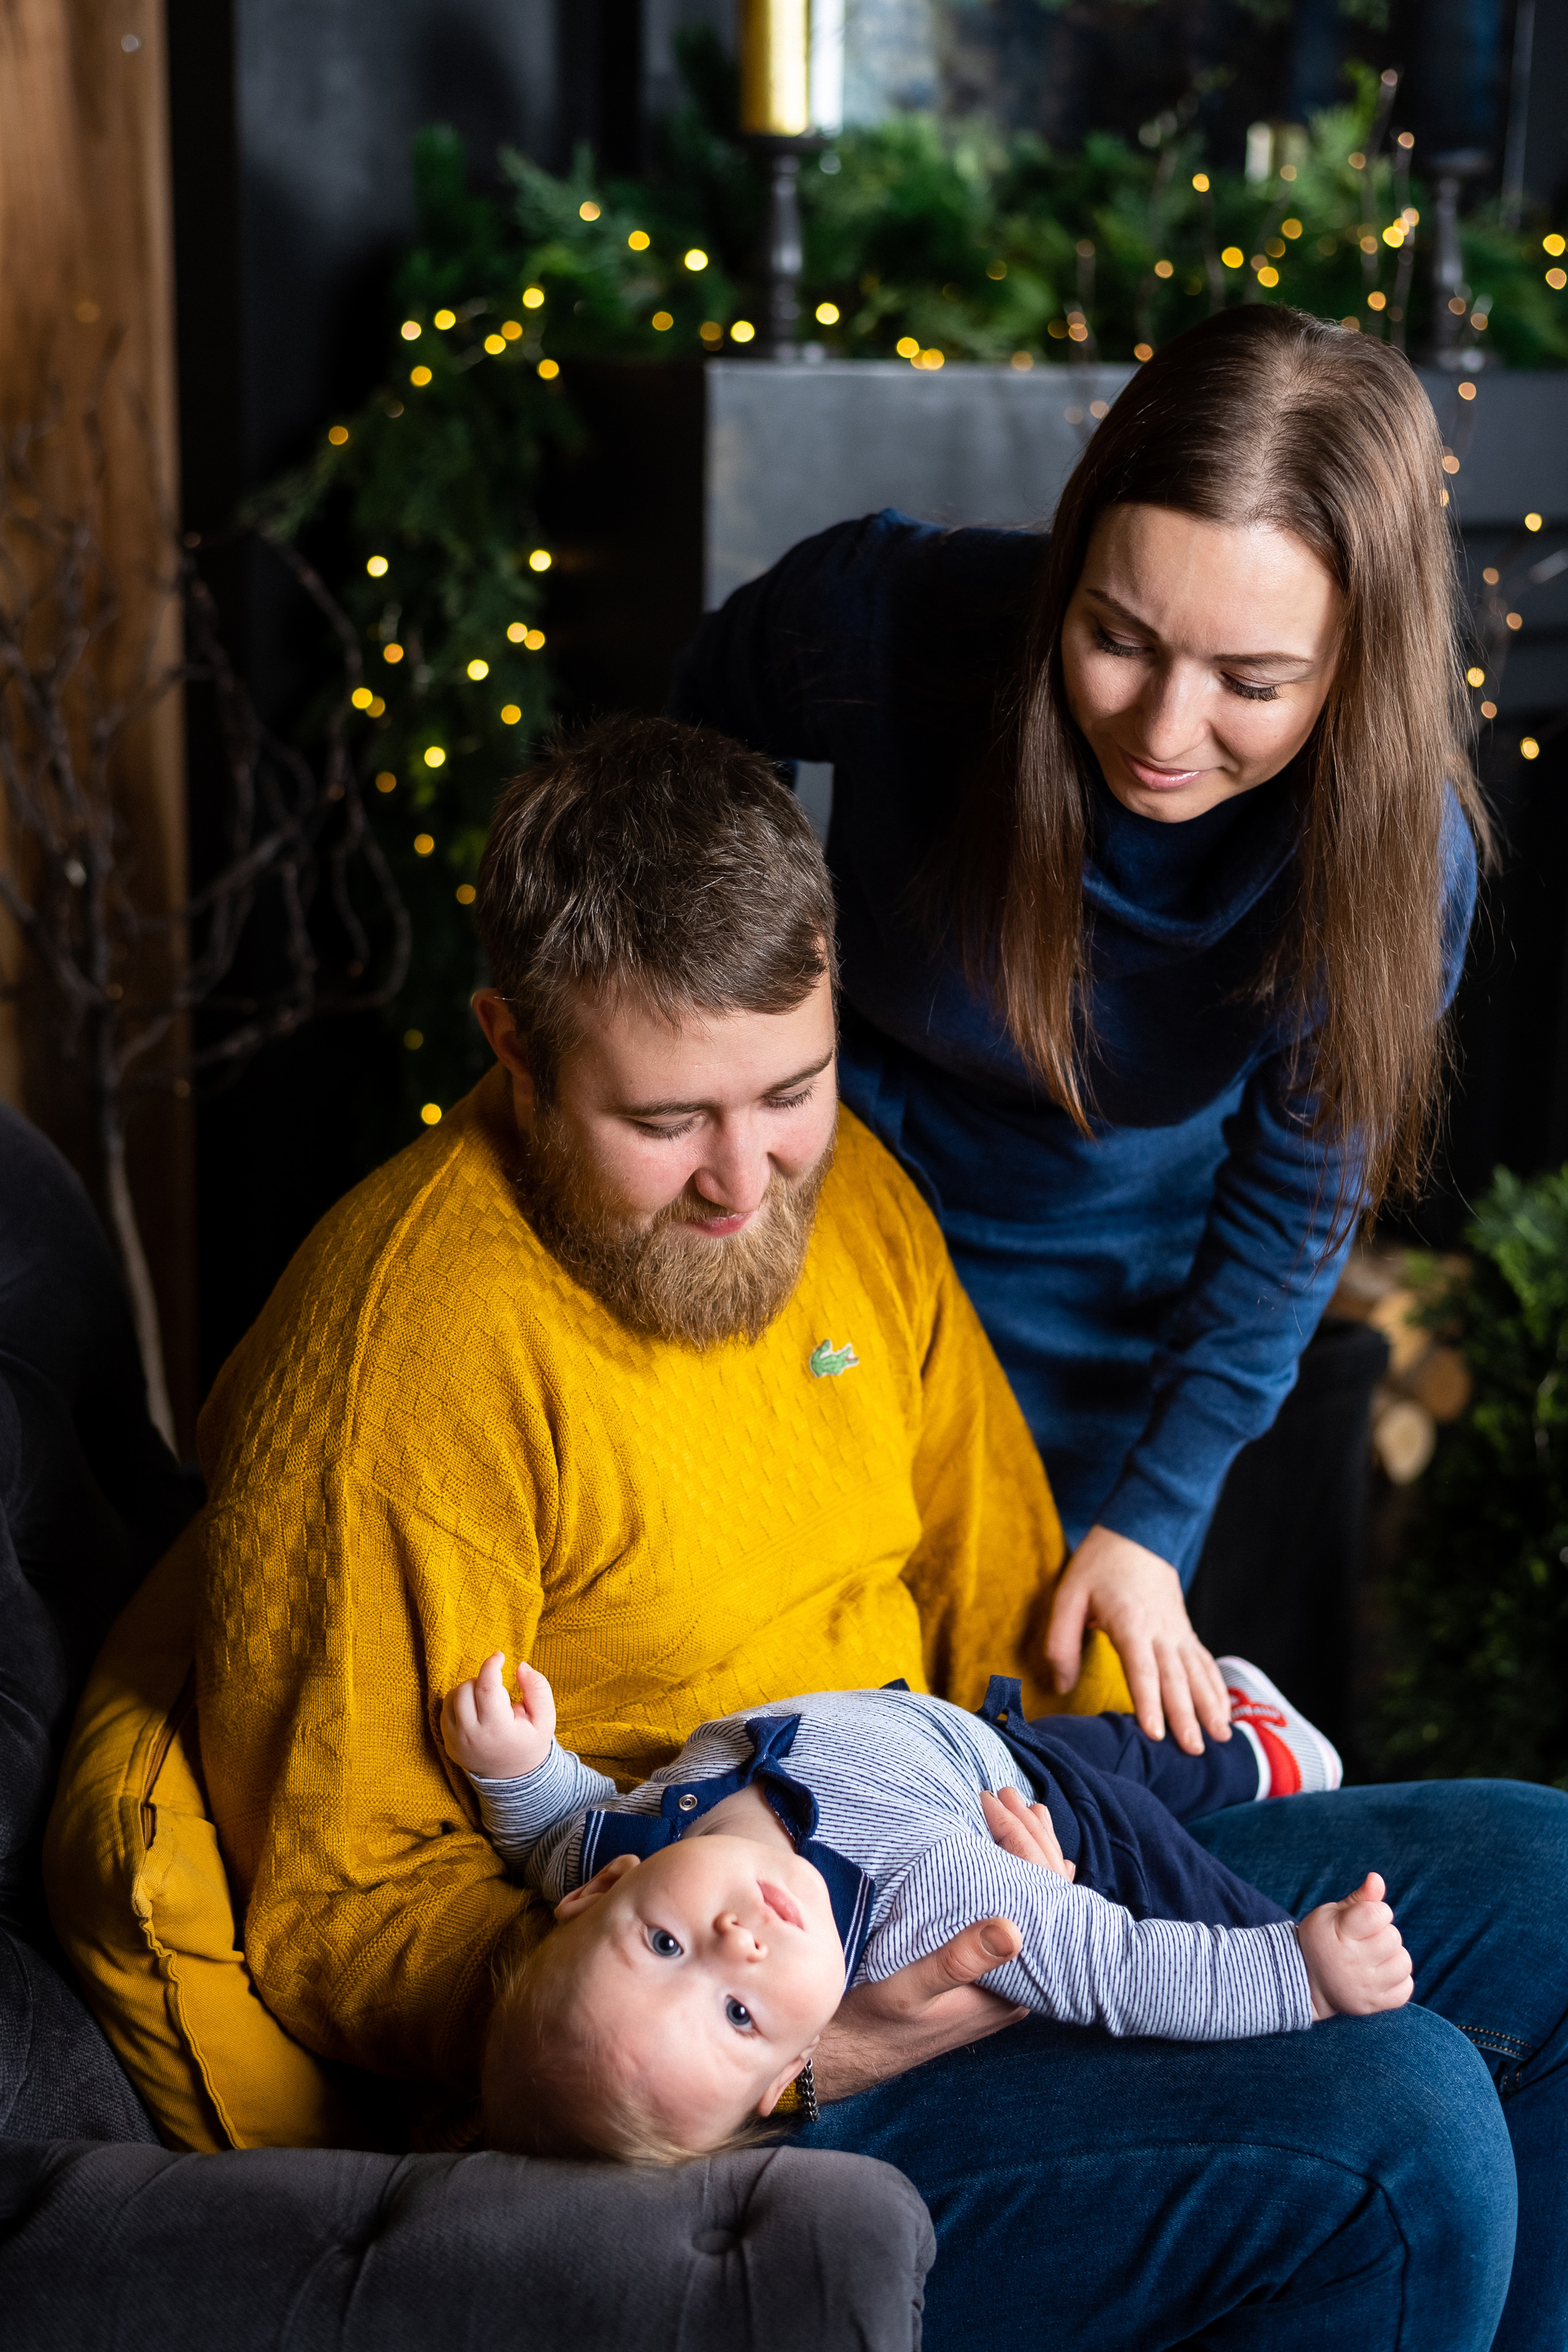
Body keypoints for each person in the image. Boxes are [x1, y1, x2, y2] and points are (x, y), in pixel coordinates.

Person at [178, 714, 1564, 2351]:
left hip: (970, 1854)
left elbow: (989, 1591)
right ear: (514, 1047)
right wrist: (785, 2035)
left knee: (1547, 1888)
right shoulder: (407, 1365)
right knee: (1396, 2132)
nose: (745, 1181)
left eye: (791, 1091)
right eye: (666, 1120)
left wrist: (1069, 1805)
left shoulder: (858, 1215)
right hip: (719, 2100)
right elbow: (344, 1919)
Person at [669, 304, 1486, 1762]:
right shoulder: (893, 614)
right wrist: (742, 1015)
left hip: (1094, 1300)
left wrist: (1151, 1520)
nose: (1163, 731)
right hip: (801, 1209)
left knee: (1005, 1754)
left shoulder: (1397, 857)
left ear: (1356, 663)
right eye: (1115, 638)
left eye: (1251, 684)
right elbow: (674, 766)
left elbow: (1297, 1200)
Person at [440, 1649, 1403, 2165]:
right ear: (796, 2065)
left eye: (662, 1943)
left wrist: (514, 1767)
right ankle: (1265, 1763)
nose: (738, 1945)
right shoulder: (931, 1903)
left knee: (1114, 1738)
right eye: (739, 2014)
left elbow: (548, 1829)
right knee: (1151, 1807)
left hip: (957, 1736)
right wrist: (1297, 1970)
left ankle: (1246, 1739)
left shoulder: (609, 1846)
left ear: (601, 1895)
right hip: (1056, 1828)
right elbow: (1126, 1967)